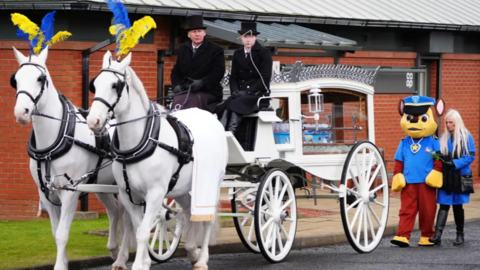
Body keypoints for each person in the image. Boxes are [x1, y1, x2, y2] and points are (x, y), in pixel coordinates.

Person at [429, 109, 476, 246]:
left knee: (457, 206)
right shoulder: (443, 137)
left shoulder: (467, 137)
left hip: (460, 176)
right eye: (447, 122)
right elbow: (439, 155)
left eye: (451, 123)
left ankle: (460, 235)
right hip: (447, 176)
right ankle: (437, 235)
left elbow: (471, 156)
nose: (449, 125)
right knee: (443, 205)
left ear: (457, 122)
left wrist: (455, 163)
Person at [216, 21, 273, 134]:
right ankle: (221, 132)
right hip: (240, 94)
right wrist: (235, 91)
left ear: (255, 37)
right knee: (224, 105)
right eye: (245, 36)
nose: (248, 40)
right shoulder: (238, 53)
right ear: (241, 37)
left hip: (258, 95)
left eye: (251, 36)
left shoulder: (264, 52)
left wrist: (248, 91)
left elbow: (265, 78)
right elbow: (234, 77)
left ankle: (231, 132)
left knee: (236, 103)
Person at [170, 15, 225, 113]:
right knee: (176, 103)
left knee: (190, 102)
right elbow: (176, 71)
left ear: (204, 33)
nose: (197, 34)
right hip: (186, 90)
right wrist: (176, 85)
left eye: (199, 31)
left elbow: (218, 72)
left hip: (208, 92)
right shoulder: (183, 48)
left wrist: (202, 83)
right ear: (188, 34)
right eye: (194, 32)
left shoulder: (216, 49)